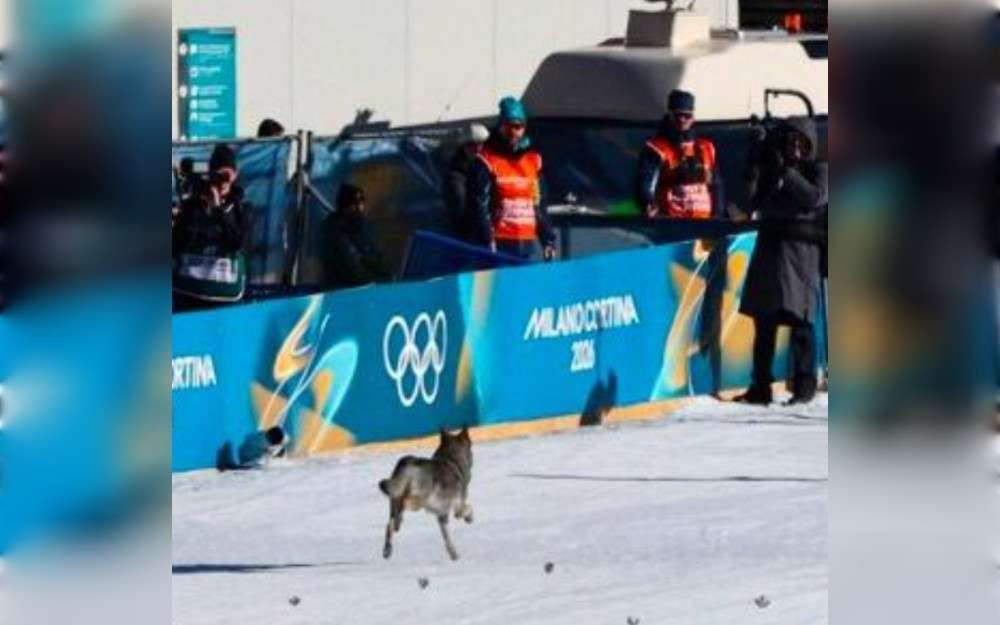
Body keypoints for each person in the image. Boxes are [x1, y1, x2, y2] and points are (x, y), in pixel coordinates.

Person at [736, 117, 828, 405]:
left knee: (801, 322)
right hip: (770, 250)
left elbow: (814, 198)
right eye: (791, 142)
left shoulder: (818, 170)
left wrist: (786, 173)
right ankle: (760, 386)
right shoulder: (771, 168)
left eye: (802, 143)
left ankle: (804, 385)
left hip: (802, 255)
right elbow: (749, 203)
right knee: (764, 323)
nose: (796, 148)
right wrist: (754, 165)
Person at [467, 97, 556, 261]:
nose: (513, 132)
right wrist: (487, 239)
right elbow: (479, 204)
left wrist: (548, 239)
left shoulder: (533, 161)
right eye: (508, 125)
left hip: (526, 243)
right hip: (498, 244)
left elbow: (538, 204)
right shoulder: (486, 160)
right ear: (500, 126)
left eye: (518, 126)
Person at [172, 144, 248, 307]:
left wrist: (219, 211)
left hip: (225, 295)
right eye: (217, 175)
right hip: (188, 292)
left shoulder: (240, 207)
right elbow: (176, 244)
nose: (222, 182)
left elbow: (237, 242)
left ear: (235, 175)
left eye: (226, 176)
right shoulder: (194, 204)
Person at [635, 89, 724, 220]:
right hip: (672, 222)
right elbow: (644, 182)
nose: (682, 120)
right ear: (669, 115)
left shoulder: (707, 147)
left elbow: (716, 184)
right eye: (677, 115)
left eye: (686, 116)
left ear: (693, 118)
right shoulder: (656, 148)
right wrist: (647, 202)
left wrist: (718, 214)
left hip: (704, 222)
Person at [322, 183, 391, 288]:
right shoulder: (334, 229)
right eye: (353, 204)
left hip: (369, 288)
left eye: (361, 202)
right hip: (344, 292)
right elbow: (351, 269)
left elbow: (378, 258)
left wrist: (386, 277)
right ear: (344, 206)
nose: (359, 208)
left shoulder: (362, 226)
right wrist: (376, 282)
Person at [445, 123, 489, 242]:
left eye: (482, 144)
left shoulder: (489, 167)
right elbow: (460, 208)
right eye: (472, 145)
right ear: (464, 147)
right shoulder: (456, 176)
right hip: (473, 238)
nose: (478, 149)